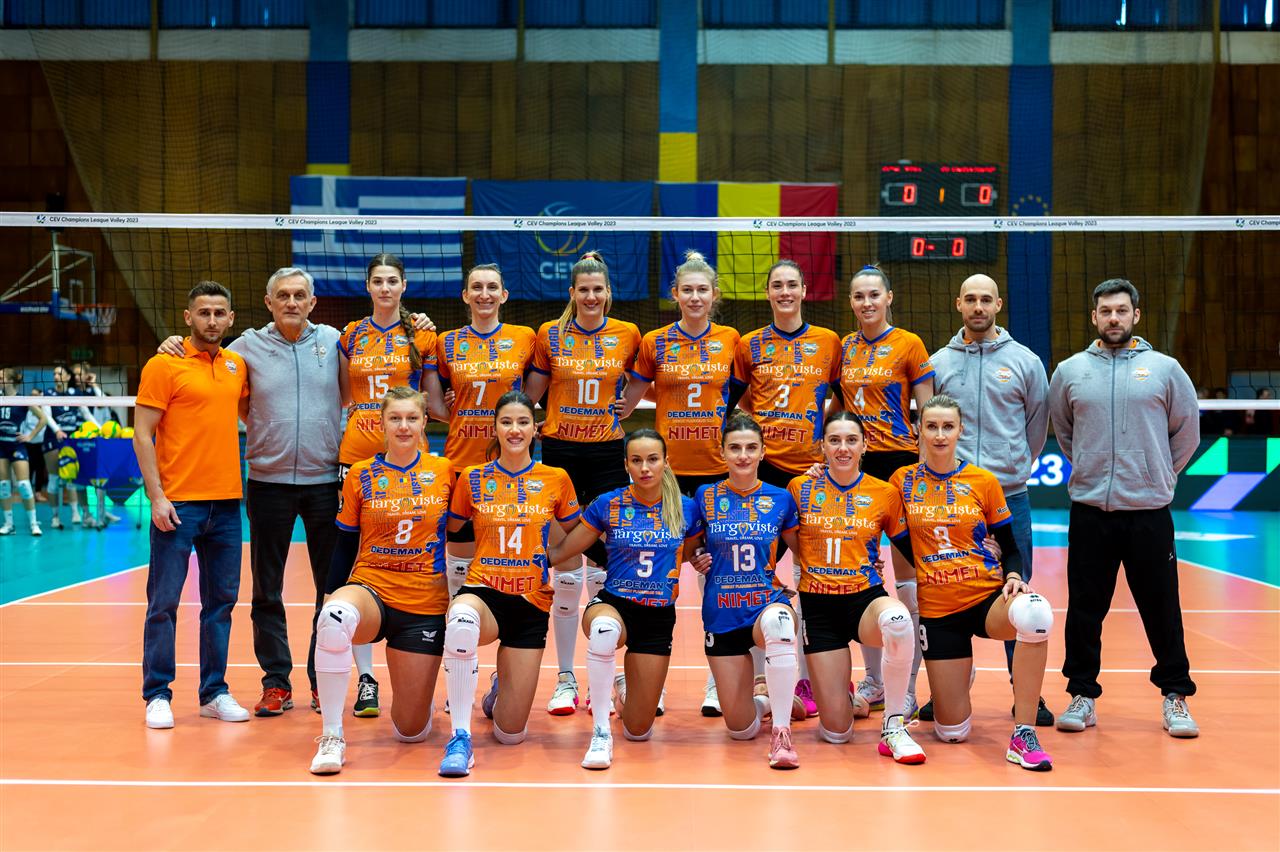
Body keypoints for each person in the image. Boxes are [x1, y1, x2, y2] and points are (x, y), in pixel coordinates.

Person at [1050, 278, 1201, 738]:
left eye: (1121, 310)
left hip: (1149, 512)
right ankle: (1081, 695)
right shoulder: (1070, 371)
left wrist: (1158, 475)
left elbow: (1187, 431)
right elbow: (1065, 431)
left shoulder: (1166, 369)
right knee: (1084, 609)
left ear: (1136, 315)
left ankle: (1175, 696)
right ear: (1094, 317)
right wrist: (1095, 469)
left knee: (1162, 608)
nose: (1113, 318)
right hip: (1090, 511)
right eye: (1105, 311)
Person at [889, 394, 1056, 770]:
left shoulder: (983, 481)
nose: (940, 435)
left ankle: (1024, 733)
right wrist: (820, 472)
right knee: (952, 732)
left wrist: (1013, 575)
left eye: (948, 426)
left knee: (1035, 614)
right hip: (939, 612)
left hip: (985, 598)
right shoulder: (901, 482)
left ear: (961, 430)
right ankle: (959, 672)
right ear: (919, 431)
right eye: (932, 426)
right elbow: (865, 500)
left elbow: (1011, 547)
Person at [616, 250, 739, 716]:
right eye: (687, 290)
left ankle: (718, 682)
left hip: (715, 475)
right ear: (675, 295)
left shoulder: (730, 341)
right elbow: (627, 401)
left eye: (702, 289)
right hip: (664, 477)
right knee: (653, 577)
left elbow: (747, 395)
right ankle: (650, 682)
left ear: (714, 295)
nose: (695, 297)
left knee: (717, 575)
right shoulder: (655, 342)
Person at [928, 273, 1053, 726]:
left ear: (998, 304)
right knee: (948, 588)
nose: (978, 307)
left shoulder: (1025, 362)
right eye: (971, 299)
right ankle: (948, 688)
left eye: (986, 299)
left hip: (1009, 495)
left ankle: (1027, 694)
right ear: (958, 303)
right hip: (951, 500)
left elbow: (1037, 426)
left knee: (1017, 591)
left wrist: (1011, 468)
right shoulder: (938, 362)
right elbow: (929, 424)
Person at [309, 387, 455, 774]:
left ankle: (421, 701)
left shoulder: (445, 471)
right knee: (334, 618)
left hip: (424, 603)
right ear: (382, 423)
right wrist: (330, 595)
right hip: (372, 588)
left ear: (424, 423)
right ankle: (332, 736)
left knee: (411, 731)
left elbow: (463, 532)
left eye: (411, 418)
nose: (403, 426)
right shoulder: (361, 474)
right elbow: (345, 542)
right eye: (395, 418)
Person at [437, 391, 580, 778]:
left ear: (535, 429)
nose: (514, 430)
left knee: (510, 734)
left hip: (530, 604)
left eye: (522, 422)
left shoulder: (556, 478)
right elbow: (448, 528)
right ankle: (460, 738)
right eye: (506, 422)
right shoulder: (473, 478)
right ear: (495, 428)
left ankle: (500, 688)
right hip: (484, 592)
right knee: (461, 621)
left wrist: (606, 554)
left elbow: (578, 531)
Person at [524, 251, 641, 716]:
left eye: (598, 290)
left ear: (608, 293)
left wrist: (630, 404)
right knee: (568, 566)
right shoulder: (549, 335)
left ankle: (607, 677)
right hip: (561, 454)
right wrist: (516, 420)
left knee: (607, 564)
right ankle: (566, 678)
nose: (591, 297)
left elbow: (647, 378)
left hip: (608, 454)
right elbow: (530, 394)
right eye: (583, 290)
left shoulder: (628, 334)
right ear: (572, 293)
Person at [726, 260, 842, 720]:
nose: (785, 292)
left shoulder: (828, 342)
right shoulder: (750, 344)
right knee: (755, 572)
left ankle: (810, 677)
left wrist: (823, 443)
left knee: (814, 569)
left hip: (812, 474)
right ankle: (761, 673)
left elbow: (840, 399)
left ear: (805, 290)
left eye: (792, 284)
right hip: (767, 471)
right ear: (768, 292)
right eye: (777, 285)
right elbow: (736, 399)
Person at [547, 429, 702, 769]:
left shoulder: (686, 508)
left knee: (638, 730)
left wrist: (701, 559)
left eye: (652, 459)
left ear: (666, 462)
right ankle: (601, 732)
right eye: (636, 460)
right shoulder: (610, 503)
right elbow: (567, 548)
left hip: (658, 616)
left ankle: (621, 690)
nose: (645, 468)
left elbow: (691, 552)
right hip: (613, 603)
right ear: (626, 465)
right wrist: (536, 560)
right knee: (603, 630)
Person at [133, 281, 250, 729]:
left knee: (221, 603)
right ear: (188, 317)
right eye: (204, 312)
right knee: (163, 603)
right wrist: (156, 496)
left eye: (220, 313)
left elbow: (251, 411)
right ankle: (157, 694)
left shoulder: (237, 365)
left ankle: (213, 692)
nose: (212, 320)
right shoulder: (164, 364)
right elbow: (142, 434)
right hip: (179, 504)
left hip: (227, 503)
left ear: (231, 318)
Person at [338, 252, 448, 718]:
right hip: (356, 460)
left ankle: (434, 662)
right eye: (378, 281)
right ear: (368, 286)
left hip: (411, 462)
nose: (385, 288)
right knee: (359, 562)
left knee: (418, 555)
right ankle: (366, 679)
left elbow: (432, 401)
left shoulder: (423, 334)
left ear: (404, 286)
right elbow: (343, 395)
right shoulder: (351, 334)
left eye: (392, 281)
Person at [788, 412, 925, 764]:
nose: (843, 448)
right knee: (836, 732)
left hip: (864, 600)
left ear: (865, 446)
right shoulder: (800, 488)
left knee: (897, 620)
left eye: (851, 440)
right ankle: (845, 697)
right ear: (822, 446)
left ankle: (894, 724)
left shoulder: (884, 493)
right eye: (834, 440)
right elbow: (774, 542)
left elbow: (913, 550)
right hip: (818, 607)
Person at [834, 265, 934, 721]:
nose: (867, 303)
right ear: (851, 302)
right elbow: (837, 407)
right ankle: (874, 681)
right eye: (859, 296)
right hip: (855, 465)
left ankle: (906, 686)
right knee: (860, 573)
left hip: (898, 463)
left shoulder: (909, 344)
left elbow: (927, 413)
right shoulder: (845, 347)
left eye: (874, 294)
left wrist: (921, 472)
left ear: (889, 298)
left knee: (908, 580)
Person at [686, 414, 803, 769]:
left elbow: (804, 550)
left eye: (751, 448)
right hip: (722, 611)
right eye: (735, 448)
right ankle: (770, 703)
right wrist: (697, 558)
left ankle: (781, 732)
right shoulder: (705, 496)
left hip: (765, 602)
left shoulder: (781, 498)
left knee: (781, 624)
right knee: (740, 729)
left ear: (763, 452)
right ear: (722, 452)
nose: (743, 455)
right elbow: (692, 547)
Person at [436, 263, 537, 598]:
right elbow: (435, 400)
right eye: (476, 287)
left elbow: (534, 393)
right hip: (461, 462)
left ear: (504, 295)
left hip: (512, 465)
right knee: (460, 563)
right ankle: (460, 620)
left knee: (509, 555)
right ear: (465, 295)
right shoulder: (446, 342)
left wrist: (521, 423)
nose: (484, 294)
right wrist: (456, 410)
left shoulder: (525, 337)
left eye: (492, 287)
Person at [39, 365, 94, 529]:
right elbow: (47, 416)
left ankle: (81, 513)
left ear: (68, 377)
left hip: (73, 439)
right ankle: (55, 516)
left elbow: (86, 414)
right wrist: (57, 430)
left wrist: (100, 429)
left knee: (76, 478)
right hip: (53, 439)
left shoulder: (75, 393)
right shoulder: (48, 393)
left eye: (59, 373)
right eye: (54, 373)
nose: (56, 376)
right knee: (54, 479)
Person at [0, 367, 48, 536]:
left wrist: (30, 436)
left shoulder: (23, 399)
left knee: (24, 485)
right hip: (1, 447)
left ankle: (34, 523)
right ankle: (9, 524)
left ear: (10, 380)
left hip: (16, 445)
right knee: (3, 486)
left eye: (1, 377)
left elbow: (43, 418)